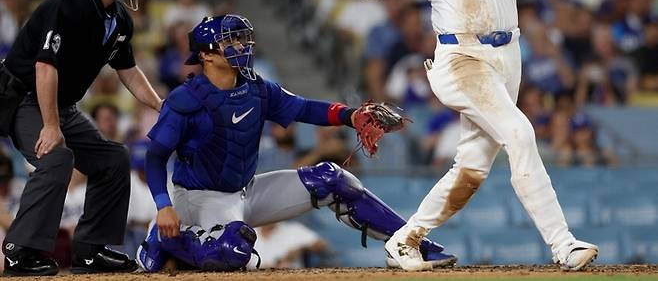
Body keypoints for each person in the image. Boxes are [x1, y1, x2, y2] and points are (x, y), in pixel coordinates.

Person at [328, 0, 598, 272]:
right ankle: (563, 244)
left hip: (508, 53)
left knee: (472, 165)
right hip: (460, 57)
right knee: (520, 134)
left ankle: (405, 239)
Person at [135, 14, 456, 272]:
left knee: (332, 179)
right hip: (199, 198)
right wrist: (164, 206)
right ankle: (165, 242)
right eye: (229, 40)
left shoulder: (257, 88)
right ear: (205, 54)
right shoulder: (186, 99)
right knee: (233, 251)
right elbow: (155, 157)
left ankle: (410, 245)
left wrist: (351, 116)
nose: (241, 44)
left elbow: (304, 108)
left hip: (246, 190)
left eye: (242, 37)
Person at [0, 0, 163, 276]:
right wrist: (50, 125)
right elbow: (45, 67)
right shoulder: (68, 4)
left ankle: (90, 250)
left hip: (59, 103)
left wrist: (161, 105)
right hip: (21, 97)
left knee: (113, 158)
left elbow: (129, 73)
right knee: (56, 157)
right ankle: (20, 250)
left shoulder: (118, 18)